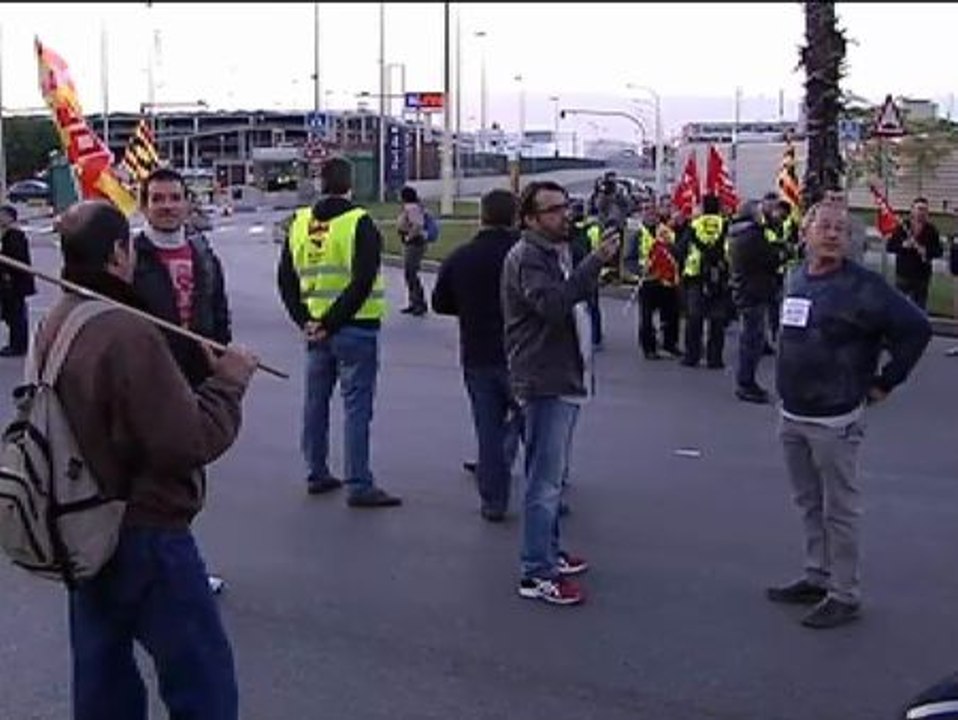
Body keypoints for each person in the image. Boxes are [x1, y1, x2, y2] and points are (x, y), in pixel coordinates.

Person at [46, 200, 258, 720]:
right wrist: (226, 385)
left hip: (81, 523)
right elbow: (185, 442)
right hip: (145, 530)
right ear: (120, 253)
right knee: (202, 682)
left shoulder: (58, 319)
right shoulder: (125, 331)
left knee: (102, 682)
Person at [768, 196, 931, 629]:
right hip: (793, 412)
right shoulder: (797, 277)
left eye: (842, 229)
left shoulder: (865, 286)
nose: (834, 234)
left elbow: (917, 328)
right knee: (808, 502)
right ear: (806, 233)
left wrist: (886, 381)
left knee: (840, 509)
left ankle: (845, 594)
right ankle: (816, 576)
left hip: (835, 418)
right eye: (825, 226)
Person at [501, 180, 619, 606]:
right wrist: (594, 264)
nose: (564, 215)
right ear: (530, 219)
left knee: (548, 476)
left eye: (566, 207)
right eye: (553, 210)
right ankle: (537, 571)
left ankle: (548, 550)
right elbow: (552, 306)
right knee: (544, 481)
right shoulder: (531, 257)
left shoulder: (554, 252)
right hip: (543, 379)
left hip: (560, 375)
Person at [277, 156, 401, 508]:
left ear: (320, 183)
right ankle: (359, 483)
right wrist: (331, 322)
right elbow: (362, 280)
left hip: (315, 331)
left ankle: (316, 472)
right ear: (350, 185)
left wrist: (307, 321)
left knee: (315, 404)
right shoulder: (358, 222)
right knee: (356, 408)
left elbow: (285, 279)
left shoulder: (299, 223)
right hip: (355, 328)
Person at [133, 166, 232, 594]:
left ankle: (179, 564)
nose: (168, 206)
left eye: (175, 197)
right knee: (150, 481)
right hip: (146, 384)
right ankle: (163, 569)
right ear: (144, 205)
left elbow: (218, 312)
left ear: (188, 202)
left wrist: (220, 359)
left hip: (193, 381)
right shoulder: (130, 258)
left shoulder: (202, 253)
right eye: (158, 199)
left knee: (186, 476)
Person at [431, 189, 522, 522]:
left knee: (487, 429)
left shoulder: (462, 256)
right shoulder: (524, 253)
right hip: (521, 353)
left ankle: (493, 501)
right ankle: (546, 492)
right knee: (535, 426)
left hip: (477, 352)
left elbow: (440, 302)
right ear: (514, 217)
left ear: (481, 216)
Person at [729, 199, 780, 403]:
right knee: (752, 340)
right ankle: (746, 383)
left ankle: (747, 381)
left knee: (751, 338)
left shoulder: (739, 234)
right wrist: (778, 252)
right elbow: (770, 259)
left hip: (747, 290)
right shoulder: (752, 236)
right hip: (753, 291)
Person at [681, 194, 730, 369]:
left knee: (694, 318)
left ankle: (692, 356)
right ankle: (715, 358)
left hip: (696, 275)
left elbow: (682, 248)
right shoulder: (725, 224)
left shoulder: (694, 224)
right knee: (717, 320)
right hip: (719, 276)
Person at [887, 197, 943, 311]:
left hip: (922, 276)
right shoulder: (902, 227)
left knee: (919, 309)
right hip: (903, 274)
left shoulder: (931, 230)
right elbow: (890, 247)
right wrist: (903, 245)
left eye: (924, 209)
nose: (921, 212)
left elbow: (939, 251)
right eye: (919, 209)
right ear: (912, 210)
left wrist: (926, 251)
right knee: (899, 307)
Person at [637, 217, 681, 360]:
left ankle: (670, 344)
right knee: (647, 318)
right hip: (648, 281)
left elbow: (677, 255)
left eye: (651, 209)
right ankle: (649, 348)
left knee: (671, 315)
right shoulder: (637, 233)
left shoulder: (667, 235)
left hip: (666, 282)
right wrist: (640, 270)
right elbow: (629, 258)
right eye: (645, 209)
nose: (648, 213)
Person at [0, 204, 36, 356]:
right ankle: (16, 344)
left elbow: (15, 258)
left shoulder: (14, 235)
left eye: (2, 215)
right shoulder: (7, 233)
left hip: (14, 283)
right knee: (12, 314)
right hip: (10, 283)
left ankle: (18, 346)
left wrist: (7, 274)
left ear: (9, 217)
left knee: (16, 315)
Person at [396, 185, 428, 316]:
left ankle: (419, 303)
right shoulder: (410, 208)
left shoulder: (412, 208)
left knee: (411, 273)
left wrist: (409, 237)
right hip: (410, 242)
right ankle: (414, 302)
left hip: (415, 243)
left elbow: (417, 225)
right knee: (409, 274)